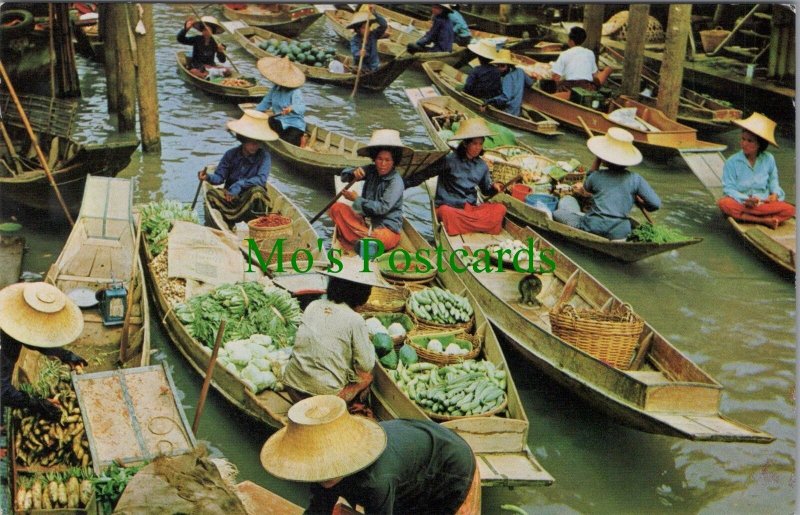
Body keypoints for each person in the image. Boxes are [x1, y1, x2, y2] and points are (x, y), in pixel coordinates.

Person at [260, 395, 480, 514]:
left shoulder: (374, 482)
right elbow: (318, 509)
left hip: (447, 466)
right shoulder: (321, 471)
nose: (321, 476)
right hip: (409, 462)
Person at [282, 257, 392, 407]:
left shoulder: (313, 305)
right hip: (324, 398)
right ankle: (347, 408)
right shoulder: (355, 320)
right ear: (362, 294)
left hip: (291, 385)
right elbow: (366, 365)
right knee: (366, 377)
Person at [553, 127, 661, 240]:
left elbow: (586, 188)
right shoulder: (636, 179)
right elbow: (655, 204)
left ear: (604, 158)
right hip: (620, 232)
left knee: (558, 213)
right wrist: (641, 202)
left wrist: (598, 158)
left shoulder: (597, 176)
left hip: (592, 227)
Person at [404, 118, 507, 236]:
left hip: (469, 210)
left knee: (500, 209)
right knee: (445, 212)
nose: (478, 147)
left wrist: (494, 187)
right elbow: (426, 174)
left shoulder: (482, 166)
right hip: (450, 208)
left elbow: (486, 190)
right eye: (474, 143)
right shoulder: (449, 160)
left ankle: (465, 226)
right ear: (465, 143)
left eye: (480, 144)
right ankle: (477, 226)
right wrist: (404, 184)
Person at [0, 282, 87, 421]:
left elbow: (32, 339)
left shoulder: (11, 318)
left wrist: (65, 355)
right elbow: (3, 392)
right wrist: (38, 404)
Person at [329, 129, 412, 253]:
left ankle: (361, 241)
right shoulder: (371, 170)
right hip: (365, 223)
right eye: (379, 159)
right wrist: (353, 172)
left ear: (394, 161)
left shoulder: (396, 182)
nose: (383, 164)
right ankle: (364, 241)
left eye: (387, 160)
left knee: (380, 237)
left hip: (385, 229)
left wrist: (357, 199)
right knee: (336, 208)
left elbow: (382, 208)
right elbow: (344, 176)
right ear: (374, 158)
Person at [717, 112, 794, 229]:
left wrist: (774, 194)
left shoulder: (769, 158)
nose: (744, 143)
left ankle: (750, 217)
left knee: (790, 210)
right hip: (742, 203)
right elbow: (729, 188)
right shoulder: (732, 161)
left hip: (762, 203)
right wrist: (746, 200)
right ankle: (763, 220)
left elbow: (774, 181)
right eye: (743, 139)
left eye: (749, 141)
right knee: (724, 204)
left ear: (759, 144)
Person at [199, 109, 277, 218]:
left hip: (250, 199)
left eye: (258, 142)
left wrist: (240, 184)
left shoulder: (264, 156)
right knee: (211, 195)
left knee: (257, 192)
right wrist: (207, 177)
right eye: (251, 142)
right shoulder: (230, 154)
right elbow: (219, 177)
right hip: (230, 196)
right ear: (243, 140)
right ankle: (228, 222)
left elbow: (261, 179)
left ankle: (256, 223)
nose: (255, 145)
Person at [254, 57, 307, 147]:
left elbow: (301, 107)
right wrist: (254, 113)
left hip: (294, 124)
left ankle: (302, 138)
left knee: (289, 142)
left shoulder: (295, 91)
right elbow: (265, 103)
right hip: (279, 121)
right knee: (266, 122)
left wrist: (291, 108)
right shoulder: (275, 88)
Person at [550, 26, 611, 93]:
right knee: (606, 71)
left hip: (569, 86)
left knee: (556, 84)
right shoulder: (590, 53)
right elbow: (594, 75)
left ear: (571, 41)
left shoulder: (564, 54)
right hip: (586, 86)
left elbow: (555, 77)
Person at [481, 49, 534, 117]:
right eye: (498, 66)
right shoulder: (520, 71)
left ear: (508, 66)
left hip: (509, 111)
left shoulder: (507, 78)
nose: (499, 69)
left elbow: (505, 97)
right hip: (517, 109)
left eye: (502, 66)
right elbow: (530, 83)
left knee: (485, 100)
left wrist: (489, 101)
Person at [347, 6, 388, 73]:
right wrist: (359, 53)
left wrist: (374, 13)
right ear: (358, 29)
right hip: (361, 67)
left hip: (374, 66)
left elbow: (384, 25)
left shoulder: (374, 35)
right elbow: (355, 52)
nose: (366, 29)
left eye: (368, 27)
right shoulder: (355, 40)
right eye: (363, 28)